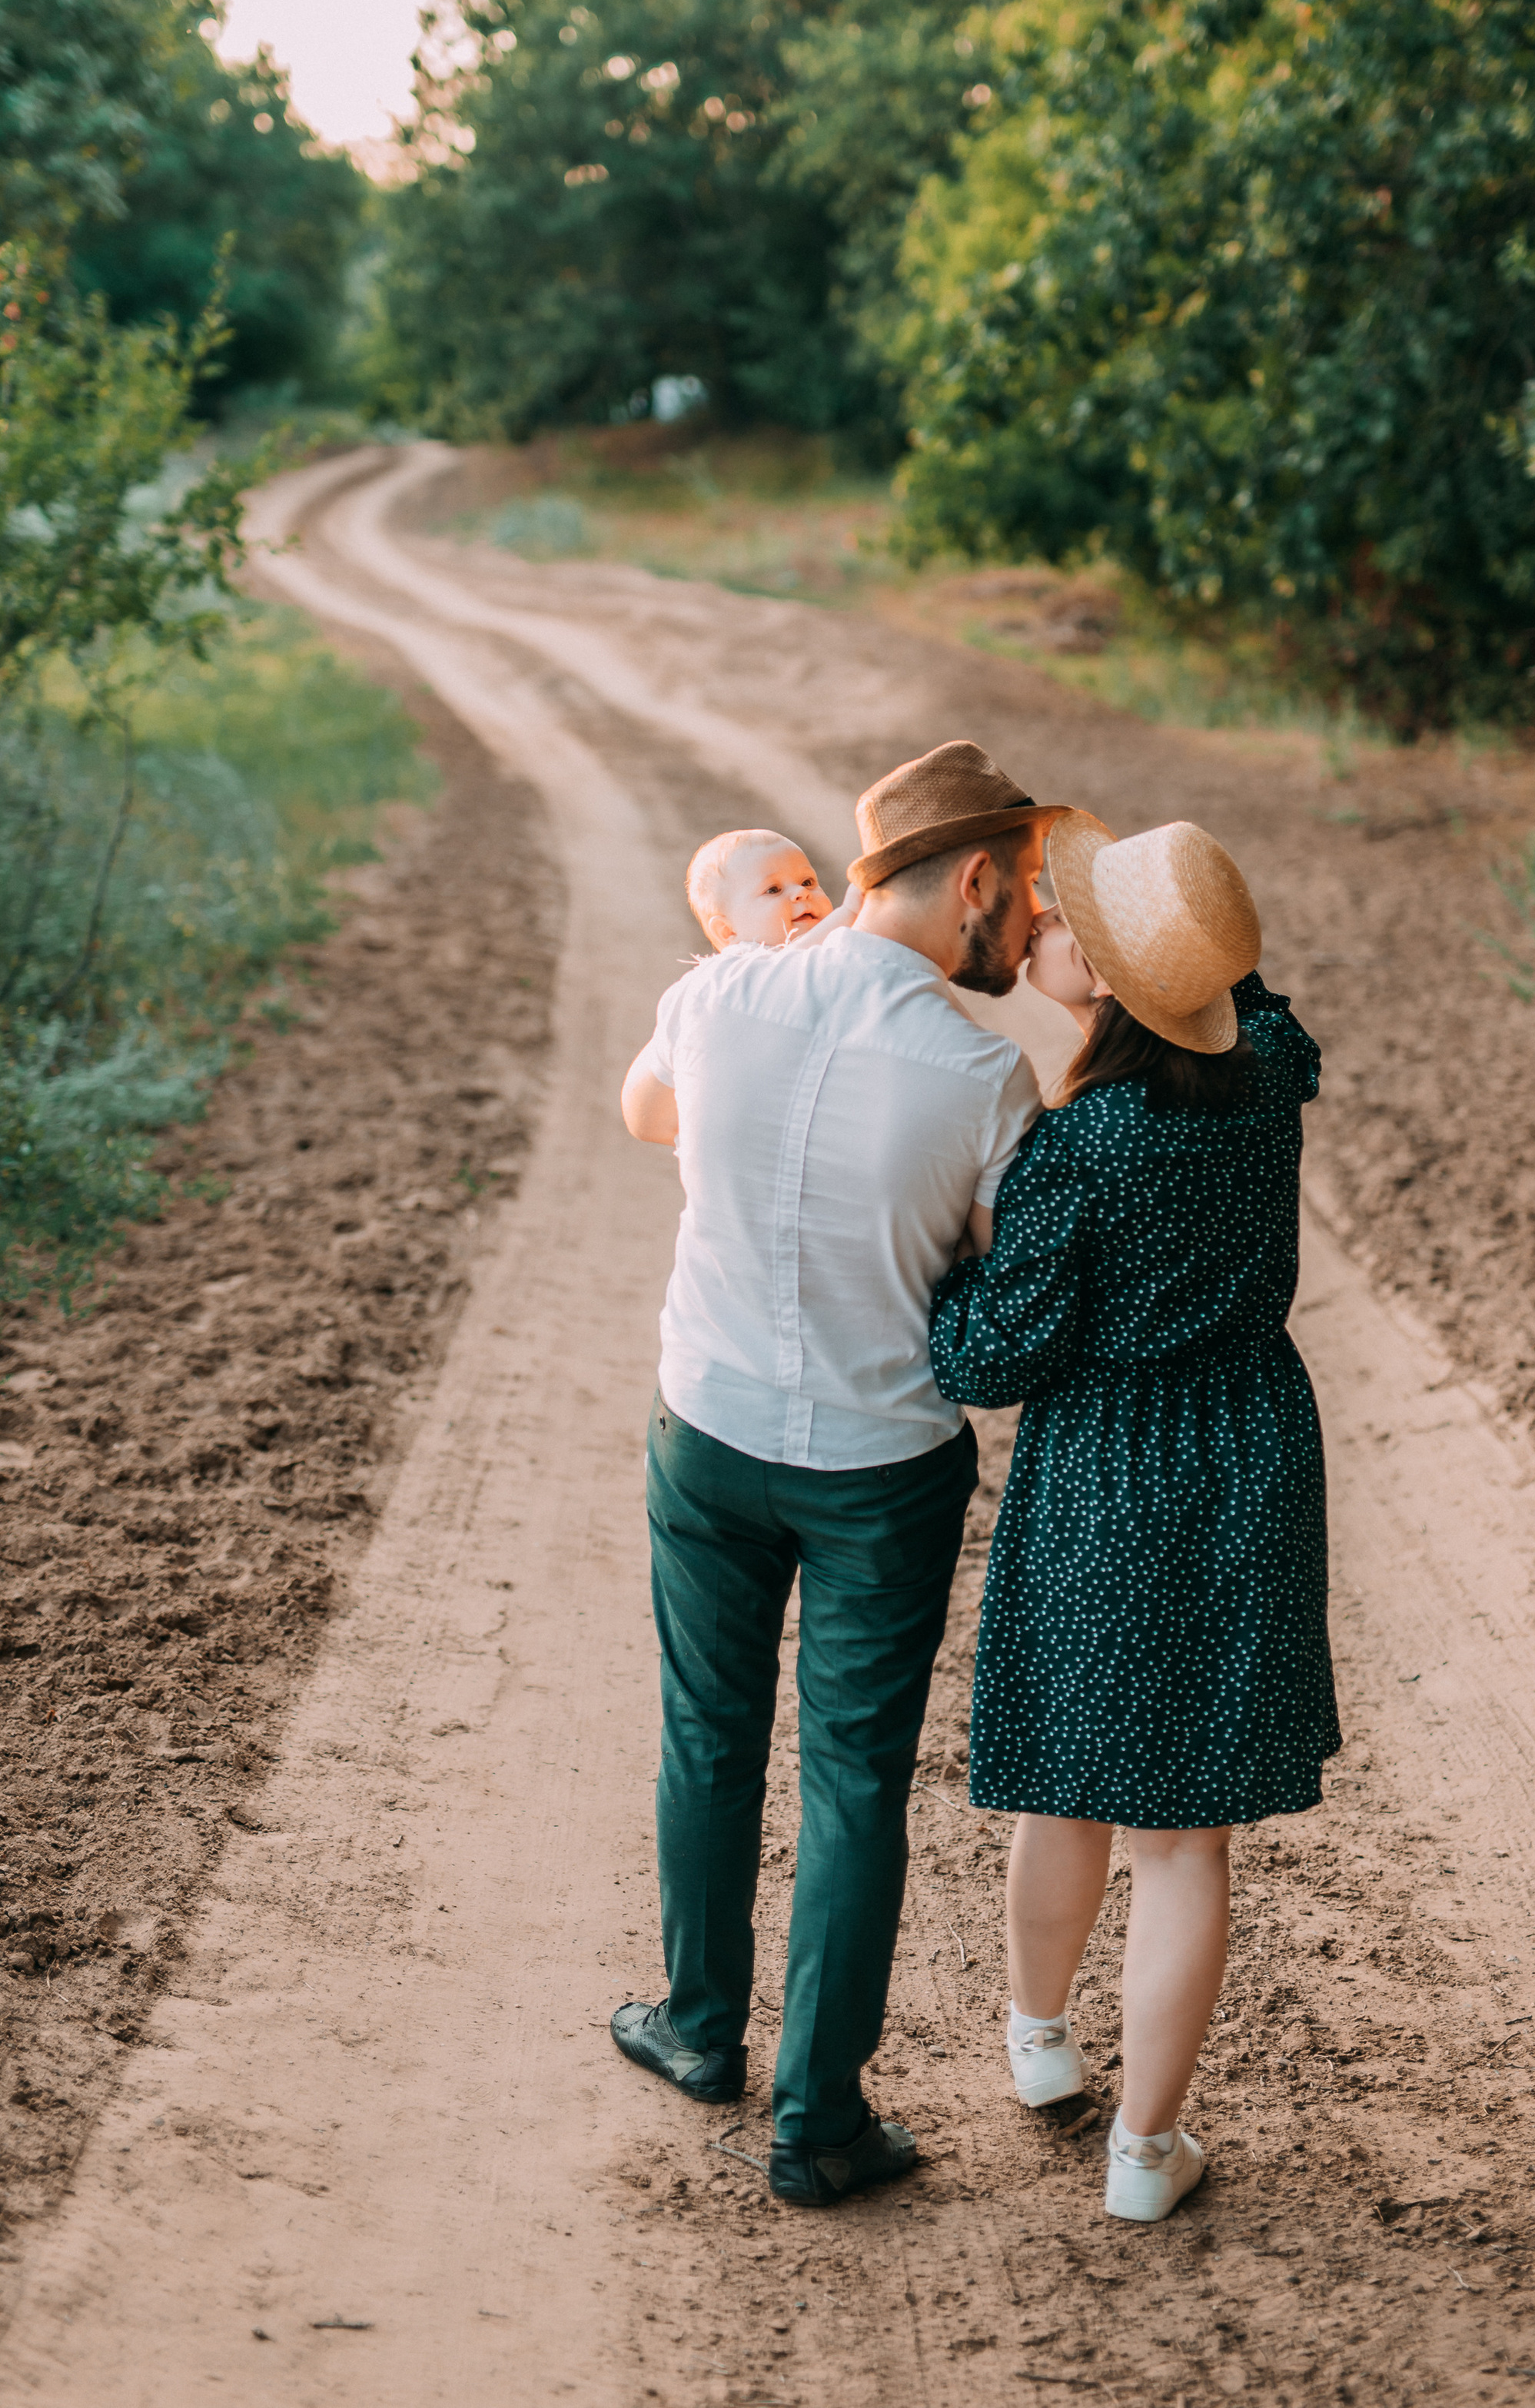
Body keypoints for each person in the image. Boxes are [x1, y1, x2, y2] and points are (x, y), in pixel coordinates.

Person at [611, 742, 1062, 2208]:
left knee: (707, 1733)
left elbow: (658, 1119)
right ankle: (818, 2122)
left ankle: (696, 2030)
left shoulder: (713, 993)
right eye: (1030, 890)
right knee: (859, 1777)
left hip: (710, 1422)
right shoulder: (986, 1073)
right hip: (881, 1466)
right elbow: (1007, 1284)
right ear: (976, 880)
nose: (1027, 918)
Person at [928, 814, 1341, 2226]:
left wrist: (943, 1278)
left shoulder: (1077, 1149)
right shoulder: (1269, 1079)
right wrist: (1203, 965)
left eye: (1062, 923)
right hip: (1250, 1451)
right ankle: (1145, 2152)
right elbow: (1274, 1017)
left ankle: (1038, 2040)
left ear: (1100, 984)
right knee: (1186, 1840)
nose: (1037, 925)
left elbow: (992, 1361)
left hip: (1109, 1465)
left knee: (1068, 1774)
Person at [684, 829, 832, 951]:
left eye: (807, 882)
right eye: (773, 890)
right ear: (728, 931)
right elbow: (788, 963)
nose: (801, 892)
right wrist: (849, 911)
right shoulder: (745, 969)